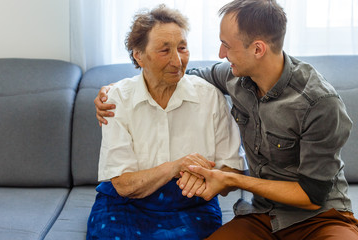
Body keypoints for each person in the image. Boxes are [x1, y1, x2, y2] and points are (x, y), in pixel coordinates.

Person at [95, 0, 358, 239]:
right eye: (165, 50)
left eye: (227, 45)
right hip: (263, 216)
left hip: (320, 217)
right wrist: (114, 91)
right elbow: (176, 75)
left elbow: (312, 196)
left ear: (257, 49)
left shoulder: (320, 103)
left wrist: (232, 179)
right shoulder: (233, 77)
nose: (220, 53)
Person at [87, 4, 247, 240]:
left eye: (182, 48)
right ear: (138, 55)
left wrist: (208, 178)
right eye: (164, 50)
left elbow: (233, 168)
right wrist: (177, 166)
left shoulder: (209, 96)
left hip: (192, 203)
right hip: (125, 204)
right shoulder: (116, 100)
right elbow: (123, 185)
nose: (177, 60)